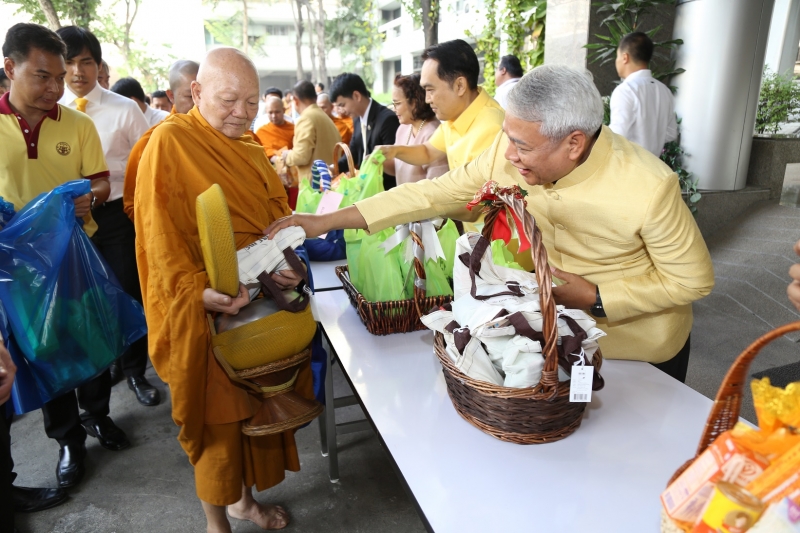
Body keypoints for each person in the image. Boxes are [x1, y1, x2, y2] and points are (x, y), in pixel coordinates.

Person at [265, 64, 715, 384]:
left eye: (521, 145)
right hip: (558, 336)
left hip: (642, 349)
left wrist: (598, 298)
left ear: (574, 143)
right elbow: (430, 194)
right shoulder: (510, 152)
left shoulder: (648, 185)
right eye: (508, 140)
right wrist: (321, 222)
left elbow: (693, 280)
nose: (509, 155)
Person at [135, 46, 312, 533]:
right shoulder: (170, 144)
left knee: (250, 410)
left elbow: (277, 220)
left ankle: (244, 502)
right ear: (196, 92)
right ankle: (218, 521)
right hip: (201, 310)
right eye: (228, 100)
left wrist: (289, 267)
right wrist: (196, 292)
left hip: (257, 308)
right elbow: (158, 239)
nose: (242, 113)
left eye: (252, 102)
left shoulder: (252, 147)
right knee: (216, 423)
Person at [1, 23, 112, 492]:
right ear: (10, 68)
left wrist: (91, 197)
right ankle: (68, 439)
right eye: (42, 76)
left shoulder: (80, 125)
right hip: (17, 269)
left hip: (75, 256)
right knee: (46, 352)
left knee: (94, 340)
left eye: (58, 77)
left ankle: (100, 415)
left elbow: (101, 182)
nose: (54, 87)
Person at [57, 26, 156, 411]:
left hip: (116, 215)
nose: (77, 72)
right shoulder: (54, 113)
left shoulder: (124, 109)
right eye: (68, 62)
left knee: (126, 292)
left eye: (85, 62)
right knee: (83, 301)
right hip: (68, 221)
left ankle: (135, 371)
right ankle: (103, 370)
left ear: (99, 66)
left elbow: (148, 166)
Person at [375, 39, 504, 178]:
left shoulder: (492, 128)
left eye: (430, 90)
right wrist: (394, 151)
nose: (426, 99)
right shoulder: (456, 114)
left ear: (459, 86)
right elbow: (428, 151)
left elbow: (469, 190)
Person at [122, 59, 199, 222]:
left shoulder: (226, 133)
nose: (199, 103)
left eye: (204, 94)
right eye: (189, 96)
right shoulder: (150, 143)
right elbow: (133, 204)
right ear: (170, 95)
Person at [609, 31, 678, 156]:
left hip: (629, 168)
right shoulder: (664, 90)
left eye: (617, 56)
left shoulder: (625, 91)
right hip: (653, 168)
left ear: (625, 57)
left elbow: (616, 136)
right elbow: (671, 133)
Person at [329, 72, 400, 189]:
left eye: (342, 105)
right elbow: (353, 153)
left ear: (356, 96)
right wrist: (333, 167)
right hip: (365, 189)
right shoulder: (357, 119)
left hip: (383, 190)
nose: (341, 111)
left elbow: (394, 164)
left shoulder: (387, 120)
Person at [391, 72, 448, 184]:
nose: (394, 109)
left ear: (414, 102)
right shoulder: (403, 128)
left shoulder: (433, 133)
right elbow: (397, 168)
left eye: (397, 104)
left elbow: (435, 186)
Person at [282, 80, 341, 180]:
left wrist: (286, 156)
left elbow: (301, 156)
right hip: (330, 181)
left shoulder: (306, 118)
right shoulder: (325, 117)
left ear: (295, 100)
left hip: (314, 186)